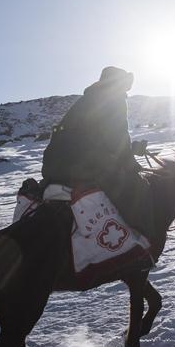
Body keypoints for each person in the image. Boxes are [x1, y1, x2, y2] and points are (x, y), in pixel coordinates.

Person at [41, 66, 154, 238]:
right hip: (82, 166)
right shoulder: (114, 98)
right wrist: (132, 167)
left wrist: (132, 149)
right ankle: (141, 238)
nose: (127, 88)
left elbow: (97, 139)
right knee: (138, 189)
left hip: (54, 166)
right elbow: (117, 139)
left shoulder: (90, 98)